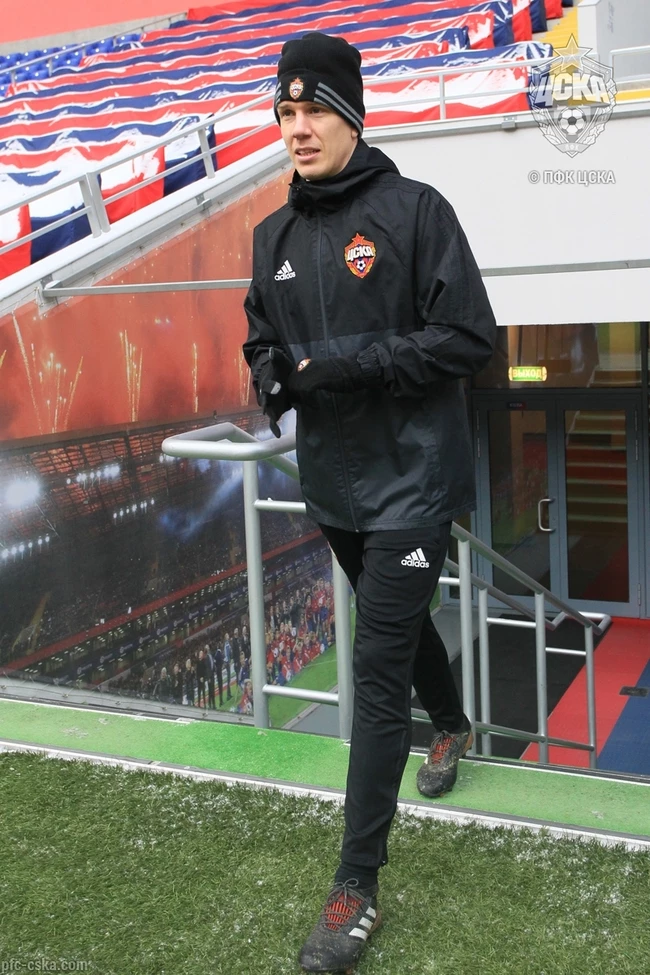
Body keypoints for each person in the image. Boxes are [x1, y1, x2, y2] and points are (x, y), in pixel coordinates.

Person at [243, 31, 496, 974]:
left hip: (414, 482)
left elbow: (468, 336)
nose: (297, 128)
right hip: (335, 489)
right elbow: (262, 339)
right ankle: (455, 723)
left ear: (351, 116)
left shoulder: (416, 211)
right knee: (399, 627)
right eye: (286, 112)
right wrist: (271, 376)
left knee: (376, 670)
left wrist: (338, 365)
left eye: (314, 110)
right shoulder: (271, 237)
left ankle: (356, 886)